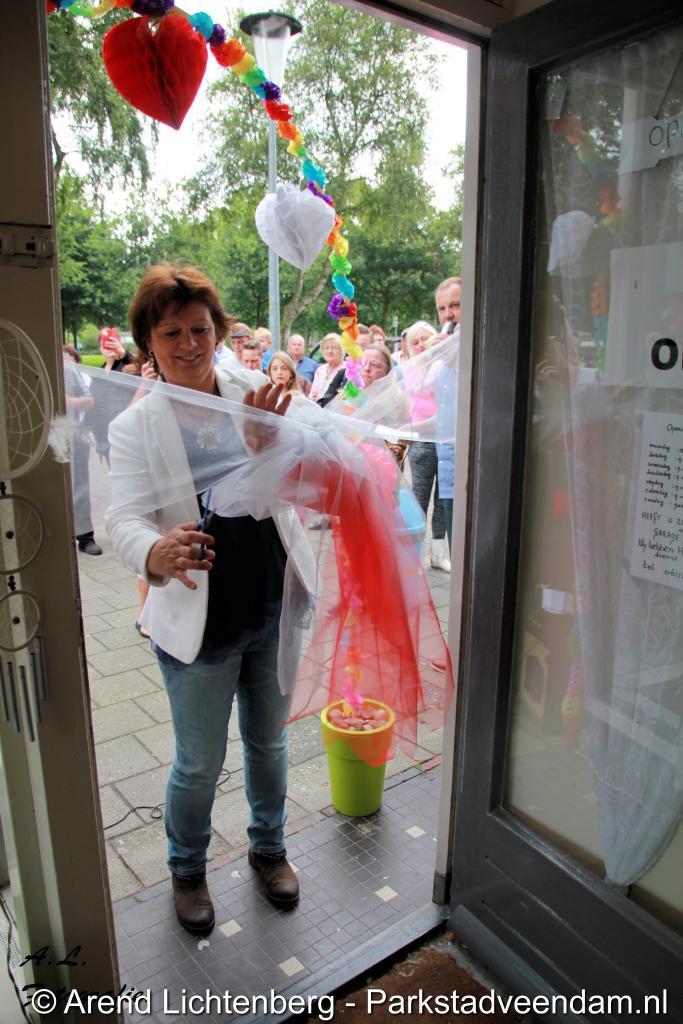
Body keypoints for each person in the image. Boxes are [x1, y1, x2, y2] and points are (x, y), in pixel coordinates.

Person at [105, 264, 317, 936]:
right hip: (197, 620)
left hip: (271, 602)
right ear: (149, 341)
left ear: (218, 331)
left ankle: (269, 849)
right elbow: (121, 518)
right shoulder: (135, 428)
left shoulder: (254, 395)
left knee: (269, 744)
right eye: (171, 333)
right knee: (199, 763)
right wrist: (153, 550)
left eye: (199, 329)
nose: (189, 344)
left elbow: (305, 478)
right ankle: (187, 868)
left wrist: (271, 446)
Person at [404, 320, 450, 572]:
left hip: (445, 439)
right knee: (419, 499)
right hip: (422, 441)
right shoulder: (411, 369)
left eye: (425, 338)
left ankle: (438, 554)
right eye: (416, 341)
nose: (421, 344)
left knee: (442, 500)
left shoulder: (445, 366)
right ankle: (414, 555)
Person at [63, 346, 102, 556]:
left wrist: (71, 402)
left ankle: (85, 536)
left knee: (80, 487)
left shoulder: (68, 369)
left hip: (74, 437)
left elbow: (89, 401)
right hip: (44, 440)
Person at [432, 277, 461, 554]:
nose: (448, 315)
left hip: (469, 470)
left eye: (455, 305)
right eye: (442, 309)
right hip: (448, 470)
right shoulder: (444, 355)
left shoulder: (474, 346)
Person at [85, 327, 133, 465]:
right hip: (104, 437)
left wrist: (123, 354)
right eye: (104, 343)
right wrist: (85, 428)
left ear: (119, 342)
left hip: (125, 435)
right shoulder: (99, 373)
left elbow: (142, 368)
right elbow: (94, 402)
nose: (108, 346)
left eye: (112, 341)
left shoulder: (128, 366)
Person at [309, 333, 343, 402]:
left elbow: (351, 397)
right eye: (326, 348)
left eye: (334, 348)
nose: (330, 351)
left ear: (341, 350)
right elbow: (312, 394)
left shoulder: (348, 370)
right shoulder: (320, 370)